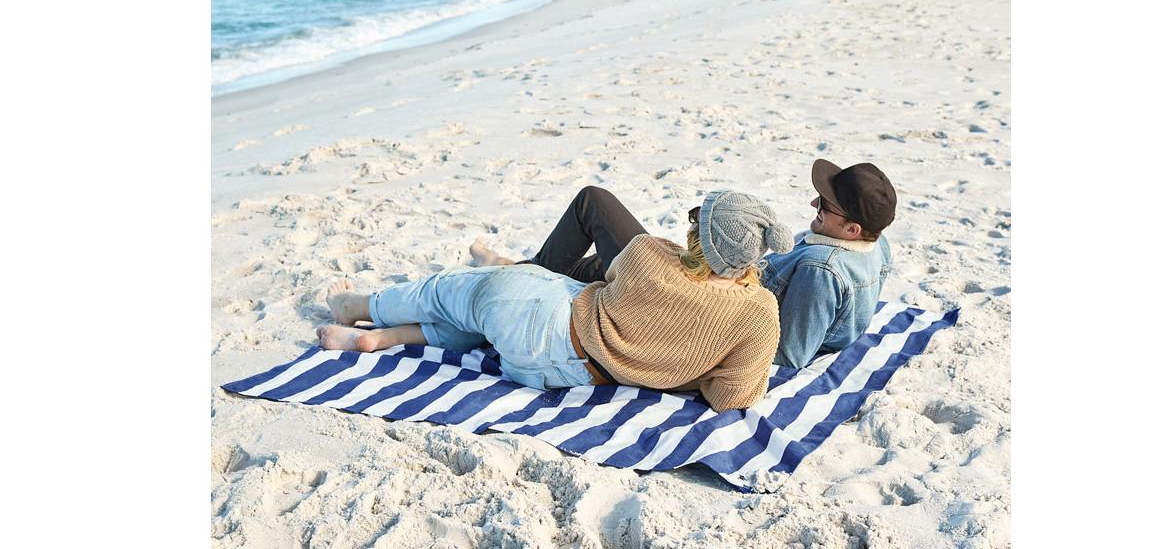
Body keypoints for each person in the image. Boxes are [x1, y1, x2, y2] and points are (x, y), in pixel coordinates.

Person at [316, 190, 792, 412]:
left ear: (700, 236)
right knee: (485, 324)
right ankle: (387, 338)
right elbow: (730, 398)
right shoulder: (759, 315)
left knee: (443, 292)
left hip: (542, 315)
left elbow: (604, 281)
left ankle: (359, 308)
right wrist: (691, 364)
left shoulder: (650, 254)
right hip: (551, 373)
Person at [471, 158, 896, 369]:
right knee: (609, 263)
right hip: (723, 282)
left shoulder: (822, 273)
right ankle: (521, 268)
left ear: (853, 229)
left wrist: (719, 297)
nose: (813, 204)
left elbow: (788, 354)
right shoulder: (874, 246)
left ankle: (518, 271)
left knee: (593, 203)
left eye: (825, 204)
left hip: (706, 305)